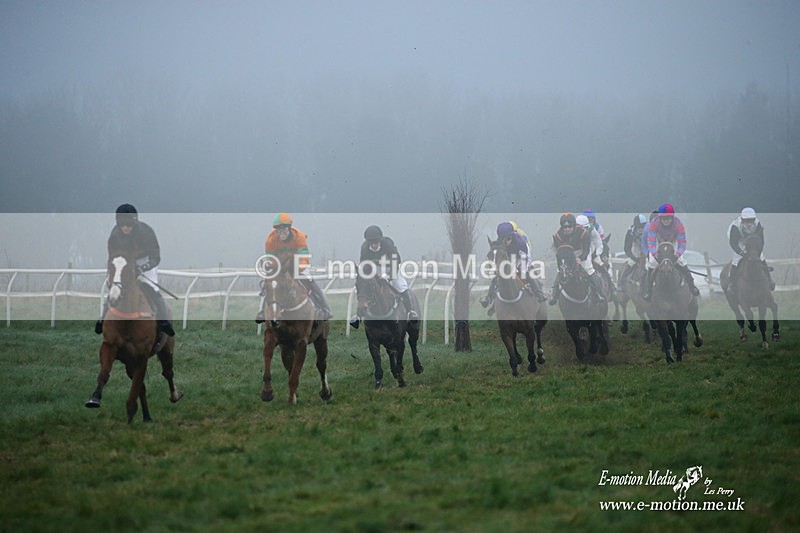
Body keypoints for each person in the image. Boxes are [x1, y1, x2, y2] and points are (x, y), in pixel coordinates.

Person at [95, 204, 175, 336]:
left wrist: (143, 267)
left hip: (145, 261)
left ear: (135, 222)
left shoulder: (147, 232)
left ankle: (164, 322)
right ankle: (102, 318)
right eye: (122, 224)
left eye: (128, 224)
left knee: (151, 288)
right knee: (116, 288)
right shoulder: (115, 235)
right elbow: (112, 257)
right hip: (124, 262)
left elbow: (156, 257)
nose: (125, 228)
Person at [256, 213, 333, 322]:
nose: (281, 232)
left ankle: (324, 308)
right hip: (280, 267)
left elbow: (304, 259)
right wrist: (275, 268)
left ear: (289, 228)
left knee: (310, 281)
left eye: (283, 228)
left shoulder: (299, 237)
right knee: (270, 283)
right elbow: (271, 259)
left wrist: (295, 270)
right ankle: (262, 311)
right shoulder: (270, 240)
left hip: (297, 265)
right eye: (278, 229)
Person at [480, 221, 547, 310]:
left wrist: (518, 269)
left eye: (509, 238)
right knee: (497, 277)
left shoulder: (521, 243)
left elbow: (526, 258)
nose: (506, 241)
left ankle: (539, 293)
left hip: (522, 257)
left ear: (513, 236)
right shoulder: (500, 242)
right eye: (504, 239)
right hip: (508, 259)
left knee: (525, 273)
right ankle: (488, 298)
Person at [357, 225, 418, 322]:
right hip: (374, 269)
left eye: (376, 242)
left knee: (400, 285)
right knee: (363, 288)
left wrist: (388, 277)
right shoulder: (364, 248)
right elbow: (364, 266)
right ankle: (358, 316)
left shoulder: (388, 243)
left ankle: (411, 311)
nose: (373, 245)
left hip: (391, 267)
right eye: (371, 243)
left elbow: (395, 262)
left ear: (380, 240)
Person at [641, 203, 700, 301]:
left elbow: (682, 243)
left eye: (668, 218)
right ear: (660, 218)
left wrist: (677, 255)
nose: (666, 221)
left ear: (672, 217)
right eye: (663, 219)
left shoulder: (679, 224)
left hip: (673, 242)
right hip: (658, 242)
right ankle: (649, 290)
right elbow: (651, 242)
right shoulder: (654, 224)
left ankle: (691, 285)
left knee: (681, 261)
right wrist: (655, 255)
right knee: (651, 263)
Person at [549, 213, 597, 304]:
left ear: (574, 226)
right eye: (565, 227)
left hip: (581, 251)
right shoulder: (558, 235)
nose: (567, 229)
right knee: (561, 270)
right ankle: (554, 294)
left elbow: (586, 249)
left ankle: (597, 293)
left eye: (569, 227)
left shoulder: (583, 233)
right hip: (566, 253)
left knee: (588, 269)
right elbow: (559, 251)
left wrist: (580, 258)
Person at [727, 207, 775, 295]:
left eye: (751, 221)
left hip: (753, 241)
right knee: (736, 261)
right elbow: (733, 243)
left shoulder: (757, 224)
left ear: (754, 220)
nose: (749, 224)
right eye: (746, 221)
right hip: (739, 241)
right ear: (742, 220)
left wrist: (758, 253)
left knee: (761, 257)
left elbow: (761, 241)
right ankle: (732, 285)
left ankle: (769, 280)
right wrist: (742, 253)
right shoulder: (735, 226)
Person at [575, 214, 608, 303]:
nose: (584, 231)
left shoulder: (592, 229)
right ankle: (555, 292)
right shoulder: (570, 229)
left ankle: (603, 291)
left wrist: (595, 254)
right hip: (575, 250)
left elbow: (599, 244)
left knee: (593, 268)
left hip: (589, 248)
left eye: (585, 228)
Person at [616, 214, 648, 290]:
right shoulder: (630, 232)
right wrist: (635, 259)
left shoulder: (650, 230)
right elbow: (627, 249)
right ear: (635, 226)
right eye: (638, 227)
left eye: (642, 227)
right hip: (637, 246)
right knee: (631, 262)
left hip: (648, 246)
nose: (640, 229)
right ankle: (621, 282)